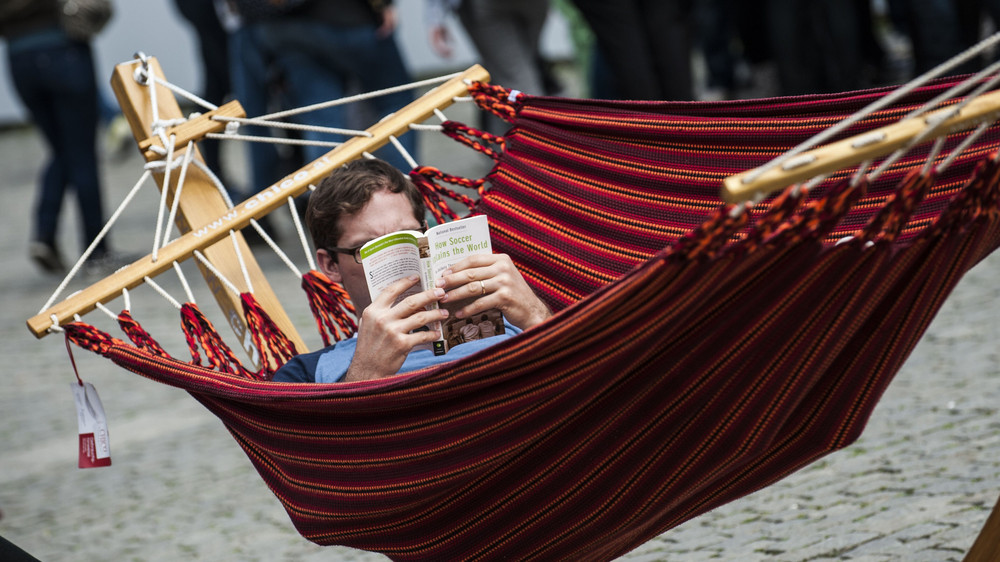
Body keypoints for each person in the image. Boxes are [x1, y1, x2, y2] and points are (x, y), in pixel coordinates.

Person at [272, 159, 551, 383]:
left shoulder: (516, 322)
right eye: (368, 249)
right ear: (330, 265)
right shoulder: (307, 375)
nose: (400, 262)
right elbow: (310, 453)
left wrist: (538, 319)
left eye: (409, 237)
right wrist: (367, 374)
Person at [0, 0, 119, 275]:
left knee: (63, 151)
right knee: (81, 155)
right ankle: (97, 252)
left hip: (19, 59)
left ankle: (45, 235)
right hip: (62, 48)